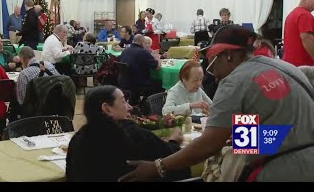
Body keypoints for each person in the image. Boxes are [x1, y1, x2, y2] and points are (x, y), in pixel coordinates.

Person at [119, 25, 314, 182]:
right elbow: (276, 129)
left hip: (279, 171)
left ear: (228, 55)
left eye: (212, 60)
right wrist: (234, 139)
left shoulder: (234, 81)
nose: (213, 71)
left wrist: (158, 166)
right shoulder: (287, 68)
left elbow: (210, 143)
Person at [66, 85, 190, 182]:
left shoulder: (78, 138)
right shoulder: (127, 132)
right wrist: (174, 141)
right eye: (123, 101)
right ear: (107, 109)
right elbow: (173, 157)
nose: (130, 107)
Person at [283, 0, 314, 66]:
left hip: (289, 65)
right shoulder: (305, 15)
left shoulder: (291, 15)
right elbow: (307, 38)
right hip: (304, 67)